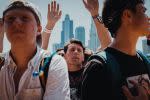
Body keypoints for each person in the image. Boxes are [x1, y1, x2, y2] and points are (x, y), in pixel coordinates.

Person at [0, 1, 70, 100]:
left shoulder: (53, 63)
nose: (16, 22)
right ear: (4, 27)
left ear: (38, 29)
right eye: (10, 19)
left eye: (25, 18)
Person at [81, 0, 150, 100]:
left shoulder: (144, 60)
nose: (148, 17)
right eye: (143, 11)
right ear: (128, 15)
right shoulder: (98, 67)